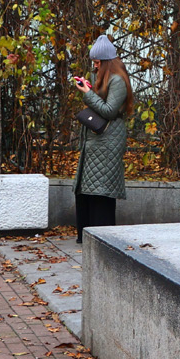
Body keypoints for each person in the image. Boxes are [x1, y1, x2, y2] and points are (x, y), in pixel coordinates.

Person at [73, 34, 133, 243]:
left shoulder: (118, 80)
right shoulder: (106, 78)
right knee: (87, 190)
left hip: (108, 140)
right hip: (98, 139)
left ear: (107, 62)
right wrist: (90, 88)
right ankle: (86, 236)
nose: (95, 66)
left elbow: (109, 111)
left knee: (101, 190)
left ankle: (102, 239)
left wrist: (88, 94)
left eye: (98, 62)